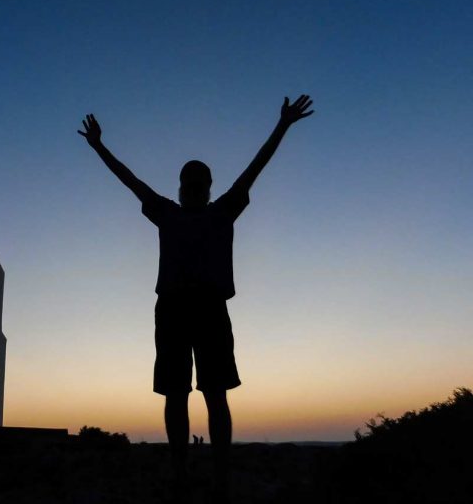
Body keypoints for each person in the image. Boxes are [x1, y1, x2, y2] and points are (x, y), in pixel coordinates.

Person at [77, 95, 314, 501]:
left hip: (209, 309)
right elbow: (130, 180)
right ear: (182, 187)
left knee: (215, 394)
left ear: (207, 188)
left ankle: (220, 477)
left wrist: (283, 125)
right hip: (171, 309)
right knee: (175, 393)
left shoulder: (222, 211)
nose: (194, 188)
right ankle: (179, 473)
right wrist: (100, 147)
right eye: (189, 183)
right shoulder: (167, 212)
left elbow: (255, 168)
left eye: (200, 184)